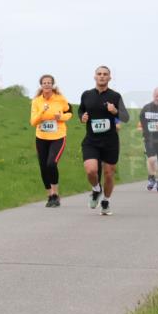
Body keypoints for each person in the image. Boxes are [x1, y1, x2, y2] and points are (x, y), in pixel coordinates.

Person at [77, 67, 129, 215]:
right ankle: (96, 189)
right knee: (91, 170)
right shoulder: (86, 95)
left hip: (110, 142)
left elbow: (125, 117)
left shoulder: (115, 96)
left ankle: (106, 201)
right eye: (99, 74)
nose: (102, 77)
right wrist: (82, 117)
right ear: (94, 77)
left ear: (109, 78)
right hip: (91, 141)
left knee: (108, 173)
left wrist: (115, 111)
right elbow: (80, 110)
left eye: (105, 74)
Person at [30, 74, 72, 207]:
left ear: (52, 85)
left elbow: (69, 113)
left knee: (51, 164)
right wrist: (42, 112)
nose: (47, 85)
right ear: (41, 85)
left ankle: (55, 194)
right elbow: (33, 122)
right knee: (43, 167)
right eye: (44, 83)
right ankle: (49, 196)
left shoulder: (60, 99)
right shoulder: (36, 101)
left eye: (49, 82)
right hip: (41, 137)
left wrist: (61, 117)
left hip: (58, 136)